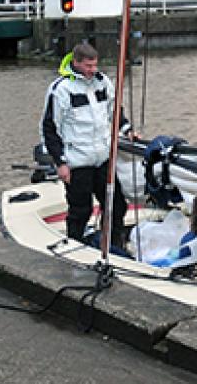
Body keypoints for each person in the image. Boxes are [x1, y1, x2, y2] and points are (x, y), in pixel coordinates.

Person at [40, 42, 137, 245]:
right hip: (77, 162)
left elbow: (114, 110)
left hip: (102, 158)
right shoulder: (61, 89)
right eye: (88, 66)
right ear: (76, 63)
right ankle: (74, 244)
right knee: (80, 210)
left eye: (95, 65)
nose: (93, 70)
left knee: (116, 205)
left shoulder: (103, 83)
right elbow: (50, 128)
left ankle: (113, 244)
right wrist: (60, 163)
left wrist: (126, 129)